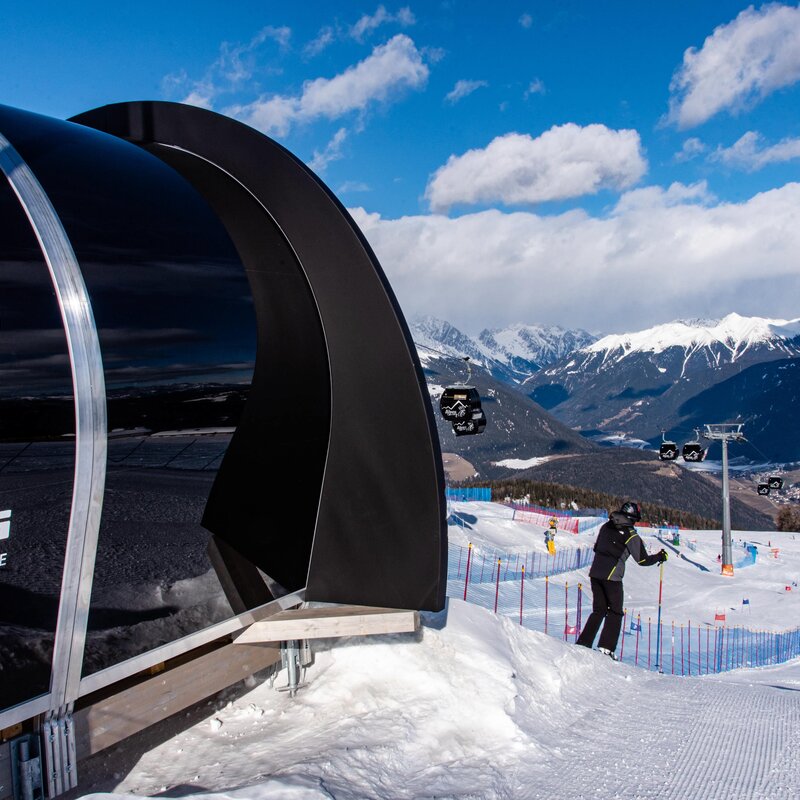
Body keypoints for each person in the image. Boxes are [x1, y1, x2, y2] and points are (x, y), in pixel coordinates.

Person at [576, 501, 667, 659]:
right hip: (612, 577)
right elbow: (643, 560)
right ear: (633, 518)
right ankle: (606, 648)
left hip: (595, 573)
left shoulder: (606, 526)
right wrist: (660, 556)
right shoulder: (631, 534)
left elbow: (597, 547)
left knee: (599, 610)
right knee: (616, 612)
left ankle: (584, 643)